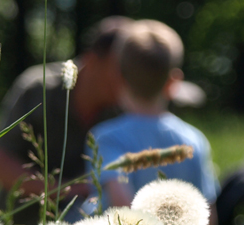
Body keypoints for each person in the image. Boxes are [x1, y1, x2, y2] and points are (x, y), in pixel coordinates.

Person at [0, 16, 131, 223]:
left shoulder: (123, 108)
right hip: (20, 219)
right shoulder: (39, 89)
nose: (128, 79)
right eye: (121, 68)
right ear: (91, 60)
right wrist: (67, 190)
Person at [85, 20, 219, 209]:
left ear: (118, 77)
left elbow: (123, 207)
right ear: (173, 83)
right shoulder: (194, 140)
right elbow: (208, 213)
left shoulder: (107, 138)